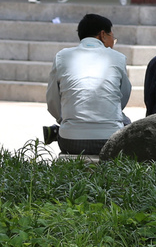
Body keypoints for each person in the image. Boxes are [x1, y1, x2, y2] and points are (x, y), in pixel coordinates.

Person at [44, 14, 131, 155]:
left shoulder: (62, 56)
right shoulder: (118, 58)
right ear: (102, 35)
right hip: (109, 140)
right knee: (126, 121)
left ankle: (56, 131)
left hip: (70, 141)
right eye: (112, 37)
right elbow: (123, 97)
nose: (113, 42)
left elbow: (52, 100)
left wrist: (64, 120)